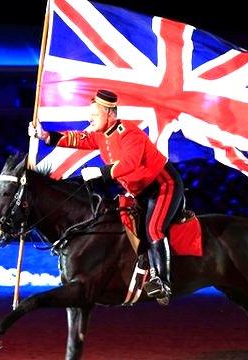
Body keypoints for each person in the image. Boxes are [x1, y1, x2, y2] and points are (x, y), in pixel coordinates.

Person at [28, 89, 184, 304]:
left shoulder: (130, 133)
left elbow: (131, 163)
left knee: (153, 228)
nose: (89, 119)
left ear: (110, 114)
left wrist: (100, 172)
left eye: (94, 115)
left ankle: (163, 283)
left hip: (162, 186)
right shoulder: (101, 135)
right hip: (138, 190)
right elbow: (80, 139)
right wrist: (47, 136)